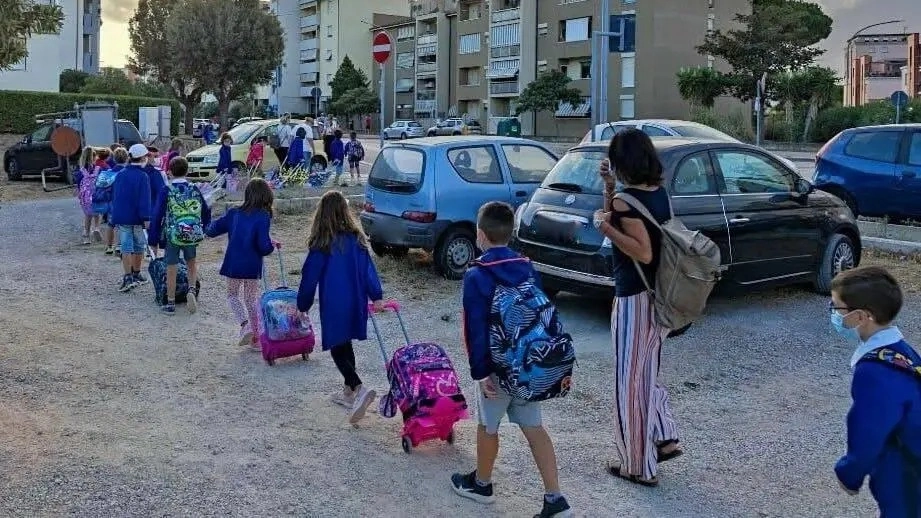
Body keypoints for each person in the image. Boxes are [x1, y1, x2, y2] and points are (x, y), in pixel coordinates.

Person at [450, 201, 572, 518]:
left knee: (488, 426)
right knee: (534, 428)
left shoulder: (477, 275)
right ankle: (555, 498)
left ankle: (482, 484)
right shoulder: (527, 266)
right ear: (511, 233)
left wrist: (482, 372)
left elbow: (474, 328)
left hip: (498, 369)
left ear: (480, 234)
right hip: (530, 365)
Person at [593, 129, 680, 487]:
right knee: (646, 375)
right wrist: (610, 189)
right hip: (658, 297)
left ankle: (638, 466)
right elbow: (627, 214)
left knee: (629, 384)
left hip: (633, 299)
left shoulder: (626, 202)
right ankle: (664, 436)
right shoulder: (657, 194)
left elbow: (641, 251)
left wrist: (604, 225)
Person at [830, 266, 921, 515]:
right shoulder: (904, 353)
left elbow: (869, 429)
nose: (833, 314)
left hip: (906, 470)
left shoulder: (875, 370)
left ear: (861, 317)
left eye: (836, 308)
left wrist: (850, 473)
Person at [296, 190, 383, 425]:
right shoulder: (356, 239)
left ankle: (358, 387)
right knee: (345, 342)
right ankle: (348, 392)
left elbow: (309, 277)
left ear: (321, 215)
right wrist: (376, 296)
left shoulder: (322, 244)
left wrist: (302, 304)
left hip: (334, 302)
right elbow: (368, 270)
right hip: (355, 299)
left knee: (337, 345)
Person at [205, 178, 277, 347]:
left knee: (232, 295)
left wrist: (204, 224)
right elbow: (263, 246)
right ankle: (257, 337)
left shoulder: (233, 213)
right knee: (251, 299)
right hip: (252, 265)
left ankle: (245, 325)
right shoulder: (263, 216)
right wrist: (271, 247)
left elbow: (212, 230)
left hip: (233, 263)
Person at [149, 157, 212, 315]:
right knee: (191, 263)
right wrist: (203, 227)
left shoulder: (167, 190)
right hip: (192, 232)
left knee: (172, 267)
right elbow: (205, 210)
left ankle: (170, 302)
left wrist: (153, 237)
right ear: (187, 170)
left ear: (169, 171)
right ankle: (191, 290)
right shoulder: (194, 189)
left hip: (173, 234)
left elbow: (157, 215)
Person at [109, 144, 152, 292]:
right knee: (139, 246)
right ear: (142, 158)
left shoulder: (120, 174)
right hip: (137, 218)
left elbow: (116, 196)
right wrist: (146, 217)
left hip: (122, 216)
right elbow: (144, 199)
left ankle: (128, 276)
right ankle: (136, 273)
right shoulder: (142, 176)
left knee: (126, 247)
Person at [104, 147, 130, 256]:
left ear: (114, 159)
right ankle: (119, 245)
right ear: (127, 158)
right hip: (125, 201)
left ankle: (109, 246)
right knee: (123, 225)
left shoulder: (110, 171)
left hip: (113, 201)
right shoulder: (127, 172)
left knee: (111, 224)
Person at [74, 146, 100, 245]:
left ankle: (86, 235)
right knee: (97, 212)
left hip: (85, 195)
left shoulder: (81, 171)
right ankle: (97, 227)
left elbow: (78, 183)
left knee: (87, 215)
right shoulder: (98, 169)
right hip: (96, 194)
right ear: (94, 157)